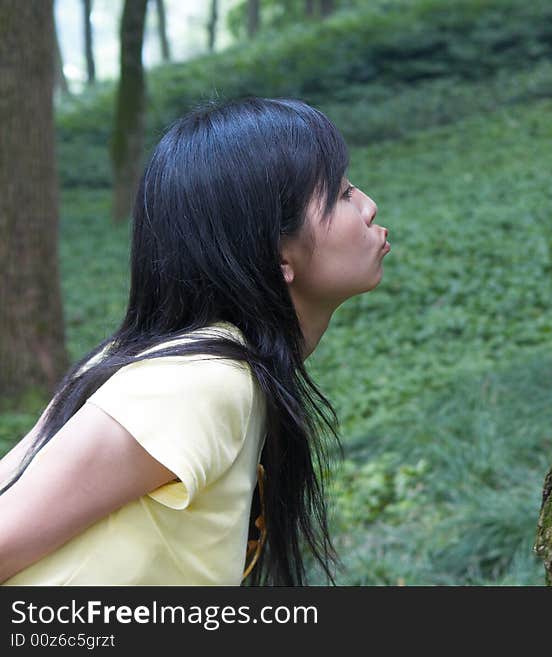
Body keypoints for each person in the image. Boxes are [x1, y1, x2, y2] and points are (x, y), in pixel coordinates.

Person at [0, 97, 390, 585]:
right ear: (277, 252)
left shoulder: (193, 368)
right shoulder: (200, 383)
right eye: (341, 194)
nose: (368, 205)